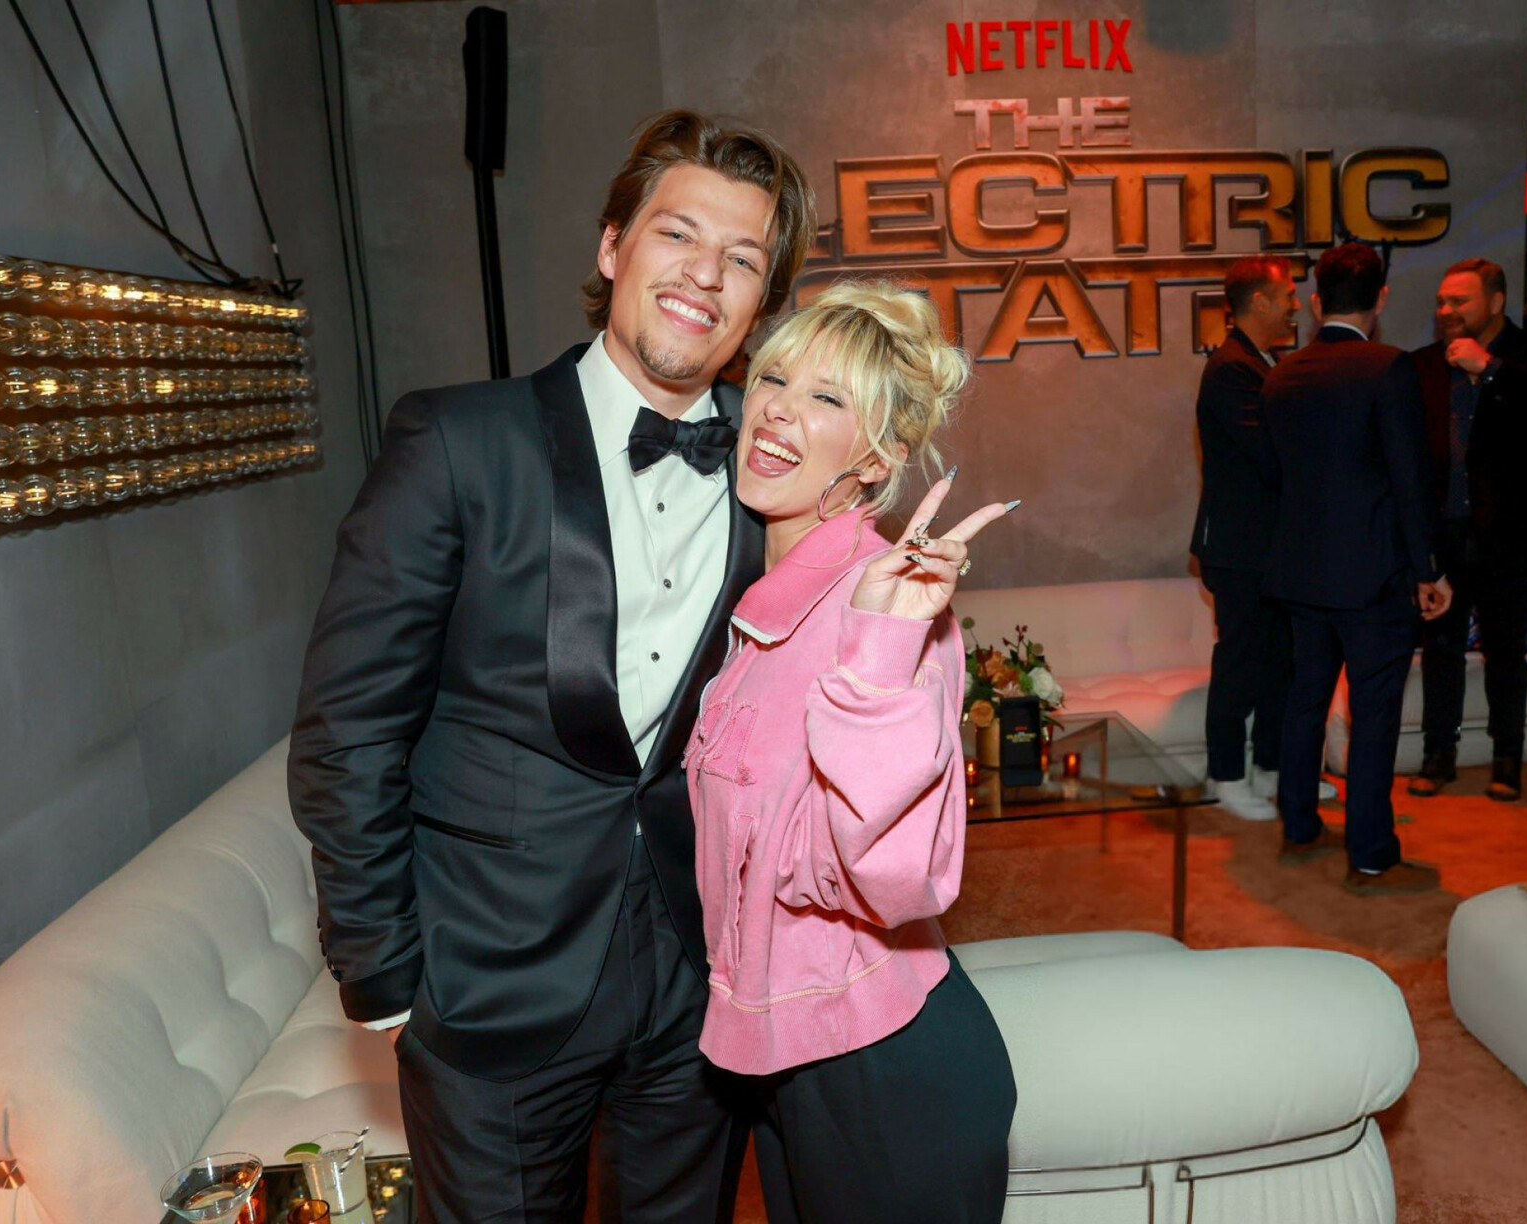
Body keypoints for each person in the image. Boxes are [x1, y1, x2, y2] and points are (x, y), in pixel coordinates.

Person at [288, 111, 815, 1221]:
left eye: (742, 260)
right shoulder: (457, 443)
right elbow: (350, 726)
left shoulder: (775, 468)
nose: (704, 276)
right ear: (612, 246)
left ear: (762, 303)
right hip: (490, 980)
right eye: (677, 234)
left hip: (696, 977)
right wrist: (384, 973)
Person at [691, 281, 1017, 1222]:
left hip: (888, 1073)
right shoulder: (762, 602)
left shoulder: (889, 608)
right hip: (785, 1061)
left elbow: (900, 878)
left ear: (878, 459)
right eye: (772, 379)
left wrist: (878, 650)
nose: (778, 410)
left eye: (826, 398)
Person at [1261, 243, 1452, 895]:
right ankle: (1370, 854)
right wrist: (1429, 568)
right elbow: (1409, 477)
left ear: (1317, 302)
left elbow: (1275, 477)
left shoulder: (1282, 374)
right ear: (1382, 297)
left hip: (1299, 571)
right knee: (1373, 715)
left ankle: (1299, 825)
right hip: (1373, 575)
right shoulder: (1388, 367)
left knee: (1305, 701)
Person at [1408, 258, 1527, 802]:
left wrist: (1490, 370)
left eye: (1459, 301)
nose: (1446, 310)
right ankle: (1438, 755)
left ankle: (1507, 759)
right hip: (1445, 533)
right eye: (1441, 301)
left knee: (1505, 651)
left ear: (1496, 302)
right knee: (1441, 650)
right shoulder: (1424, 364)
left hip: (1508, 533)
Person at [1191, 257, 1299, 820]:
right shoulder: (1231, 369)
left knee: (1279, 661)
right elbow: (1270, 455)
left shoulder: (1258, 361)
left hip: (1268, 547)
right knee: (1241, 662)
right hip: (1238, 548)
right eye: (1288, 295)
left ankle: (1270, 770)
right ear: (1259, 301)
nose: (1295, 306)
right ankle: (1227, 774)